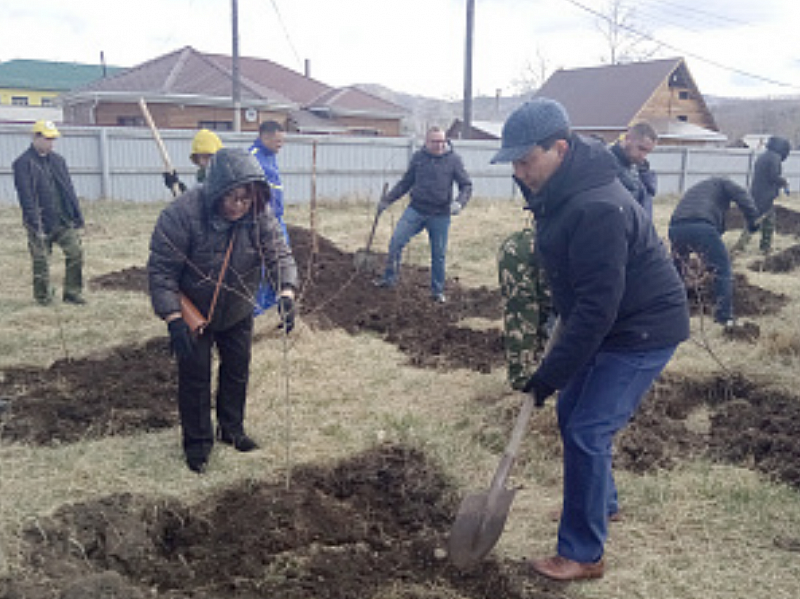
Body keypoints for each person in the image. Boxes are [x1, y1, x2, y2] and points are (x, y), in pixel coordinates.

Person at [491, 98, 690, 581]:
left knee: (587, 430)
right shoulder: (561, 189)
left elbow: (598, 310)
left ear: (559, 148)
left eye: (526, 160)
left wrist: (548, 375)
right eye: (513, 161)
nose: (519, 171)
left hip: (642, 329)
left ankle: (583, 553)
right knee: (571, 415)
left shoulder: (598, 206)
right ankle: (603, 503)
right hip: (609, 320)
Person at [148, 148, 298, 474]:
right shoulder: (180, 215)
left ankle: (231, 430)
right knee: (195, 376)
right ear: (217, 190)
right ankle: (198, 445)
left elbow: (278, 254)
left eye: (246, 199)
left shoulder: (258, 214)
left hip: (238, 307)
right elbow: (162, 272)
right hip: (193, 313)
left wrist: (286, 290)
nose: (239, 206)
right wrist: (173, 318)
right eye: (232, 198)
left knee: (237, 370)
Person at [374, 126, 473, 302]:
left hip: (440, 214)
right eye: (435, 141)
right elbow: (406, 183)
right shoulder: (419, 158)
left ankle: (437, 292)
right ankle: (389, 279)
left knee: (438, 254)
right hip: (416, 210)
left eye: (442, 141)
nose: (439, 145)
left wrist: (459, 203)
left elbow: (466, 185)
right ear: (427, 142)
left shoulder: (453, 160)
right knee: (396, 241)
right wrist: (387, 200)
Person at [669, 177, 760, 329]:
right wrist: (752, 220)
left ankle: (671, 309)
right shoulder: (725, 183)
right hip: (701, 227)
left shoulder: (699, 190)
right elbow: (741, 194)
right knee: (722, 270)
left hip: (676, 228)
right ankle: (724, 316)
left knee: (677, 271)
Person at [13, 120, 86, 306]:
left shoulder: (58, 161)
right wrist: (33, 222)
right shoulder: (23, 164)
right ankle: (43, 298)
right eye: (47, 138)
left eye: (53, 139)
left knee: (75, 253)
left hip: (63, 220)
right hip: (39, 221)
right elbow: (26, 196)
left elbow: (68, 189)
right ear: (36, 137)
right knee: (41, 261)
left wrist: (77, 214)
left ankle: (72, 293)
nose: (51, 143)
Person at [497, 222, 553, 391]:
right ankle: (520, 379)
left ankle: (543, 370)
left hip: (548, 256)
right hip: (521, 254)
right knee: (524, 314)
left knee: (547, 312)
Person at [250, 120, 289, 314]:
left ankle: (273, 309)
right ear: (265, 137)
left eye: (282, 141)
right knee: (262, 268)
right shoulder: (253, 159)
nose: (281, 145)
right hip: (261, 222)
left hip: (277, 220)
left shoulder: (271, 156)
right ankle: (255, 313)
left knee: (281, 265)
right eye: (278, 141)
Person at [731, 135, 791, 255]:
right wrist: (784, 183)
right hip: (765, 195)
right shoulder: (774, 158)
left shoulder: (764, 156)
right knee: (757, 220)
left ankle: (764, 247)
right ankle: (742, 246)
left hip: (757, 192)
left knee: (768, 221)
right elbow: (773, 176)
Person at [608, 122, 659, 218]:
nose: (643, 156)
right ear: (628, 139)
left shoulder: (639, 170)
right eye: (641, 148)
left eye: (647, 152)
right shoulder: (604, 163)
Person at [162, 128, 224, 193]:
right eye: (199, 157)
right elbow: (196, 199)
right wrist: (177, 187)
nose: (202, 162)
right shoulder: (202, 177)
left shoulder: (224, 181)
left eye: (206, 157)